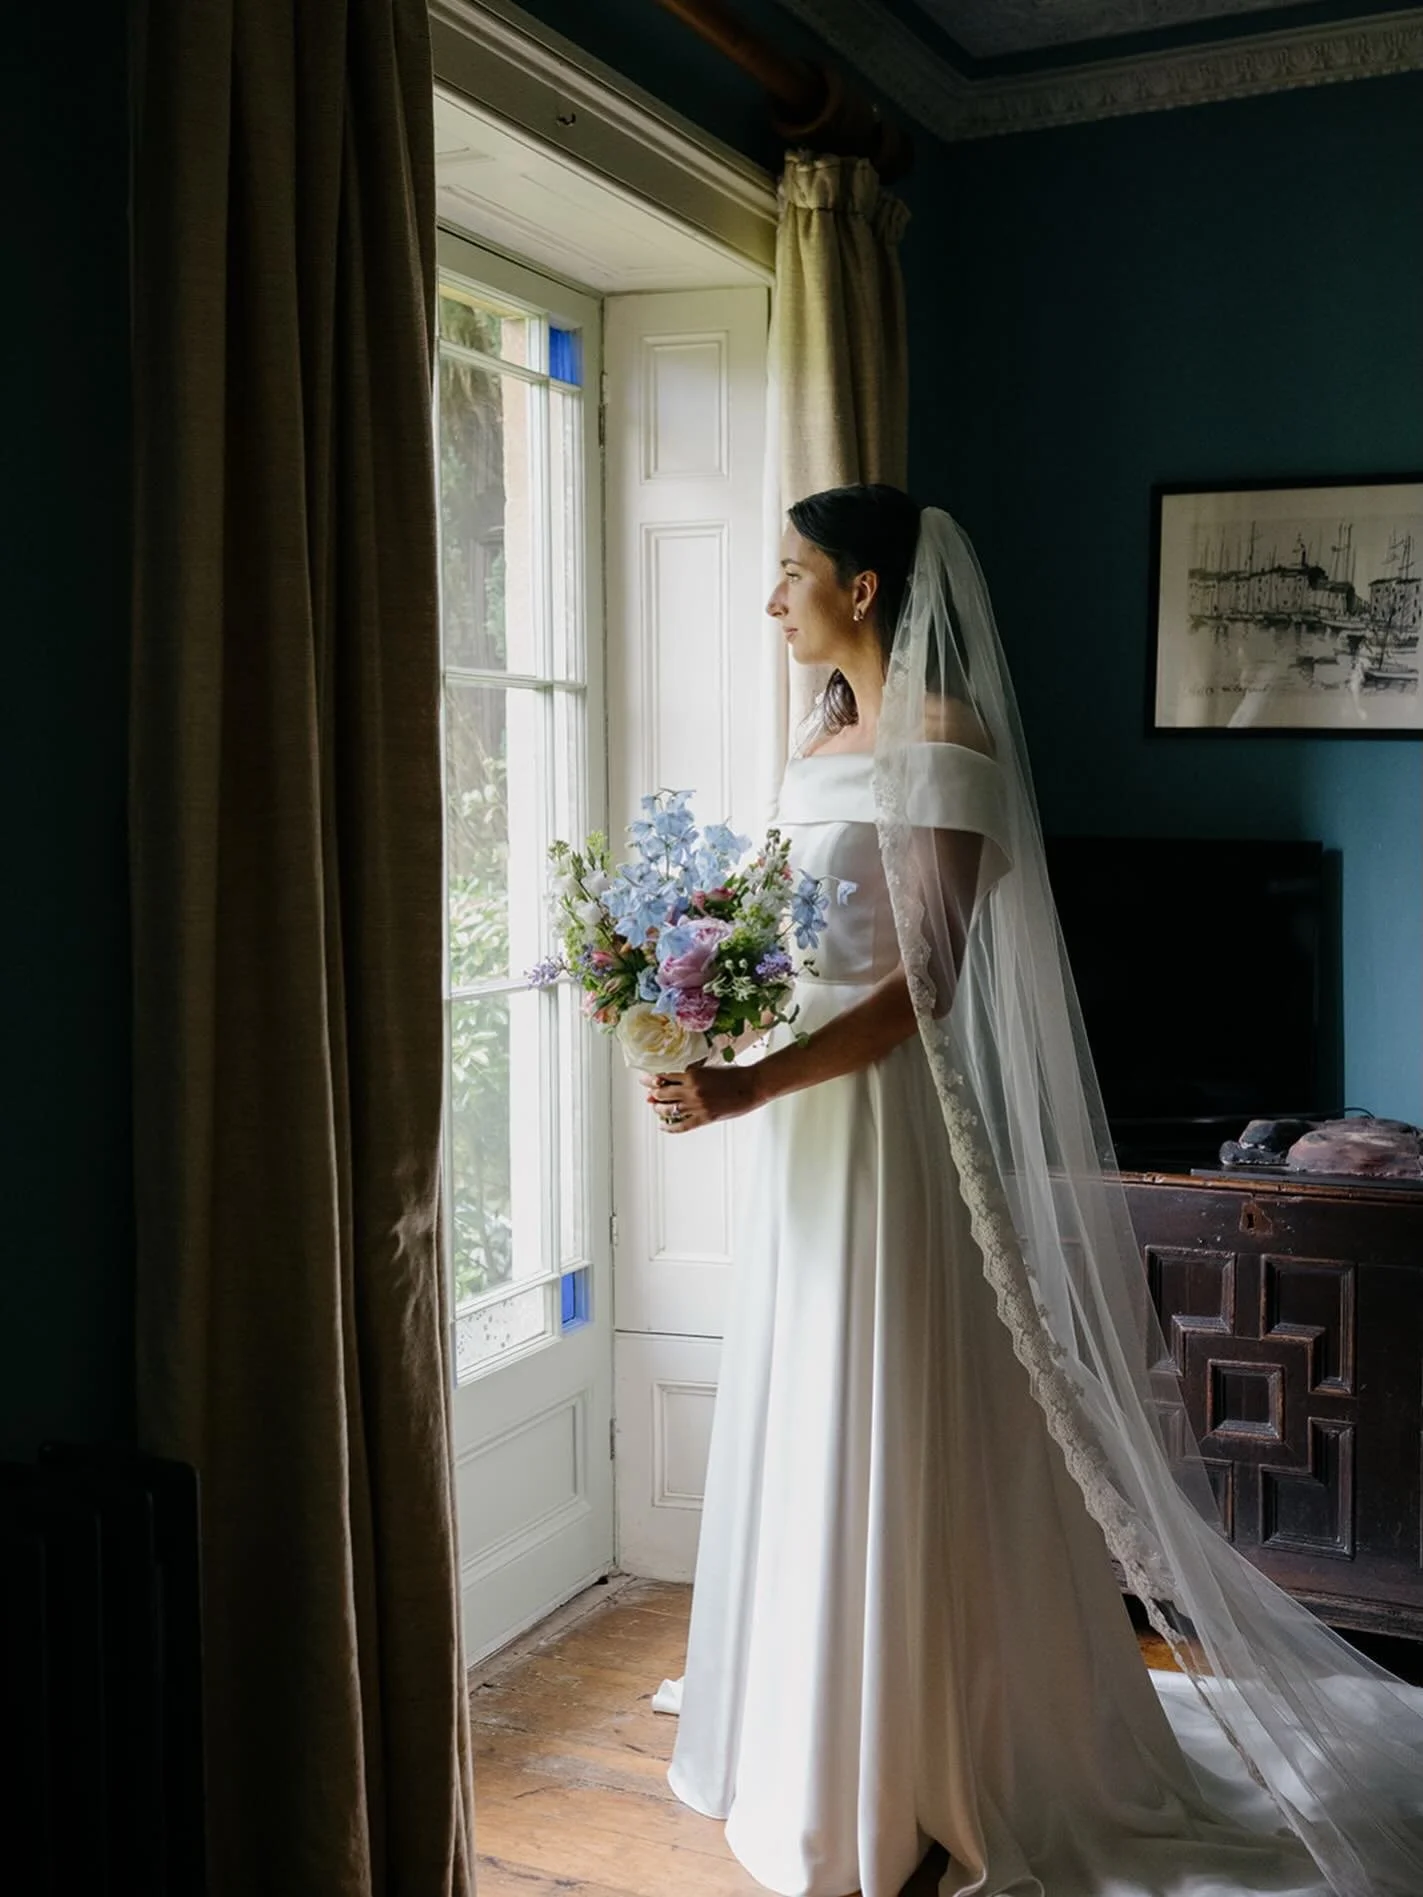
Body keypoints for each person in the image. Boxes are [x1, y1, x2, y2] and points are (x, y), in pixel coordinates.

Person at [644, 486, 1423, 1897]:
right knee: (810, 1392)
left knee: (892, 1396)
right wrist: (687, 1003)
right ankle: (814, 1726)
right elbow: (774, 933)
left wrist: (754, 1084)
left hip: (883, 1123)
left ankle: (918, 1751)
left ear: (866, 590)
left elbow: (924, 987)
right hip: (796, 1131)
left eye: (789, 573)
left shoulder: (946, 747)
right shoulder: (817, 743)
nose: (772, 600)